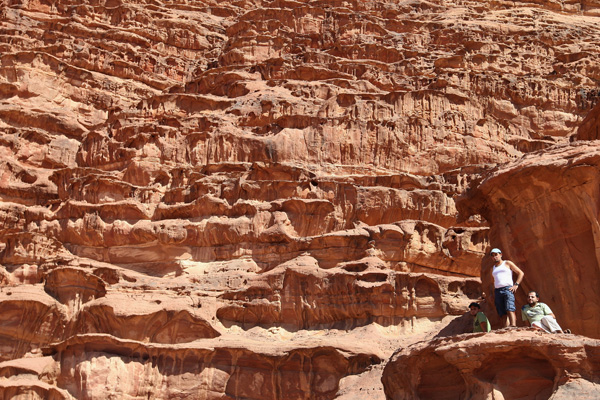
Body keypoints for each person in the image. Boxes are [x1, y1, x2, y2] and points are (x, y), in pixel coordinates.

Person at [489, 248, 524, 327]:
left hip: (507, 289)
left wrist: (516, 285)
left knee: (510, 308)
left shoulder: (507, 263)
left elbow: (520, 273)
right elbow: (492, 281)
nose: (495, 257)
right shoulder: (493, 268)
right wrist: (492, 293)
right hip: (497, 290)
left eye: (496, 254)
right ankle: (506, 328)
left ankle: (513, 326)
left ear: (500, 255)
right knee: (501, 311)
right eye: (493, 255)